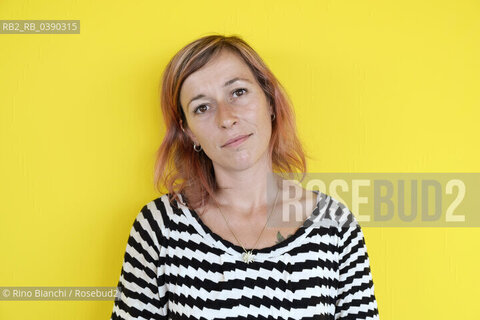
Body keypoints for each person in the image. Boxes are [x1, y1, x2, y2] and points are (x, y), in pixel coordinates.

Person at [110, 34, 380, 319]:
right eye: (202, 107)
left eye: (238, 92)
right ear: (189, 132)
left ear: (270, 101)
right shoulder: (159, 227)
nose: (226, 118)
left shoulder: (335, 227)